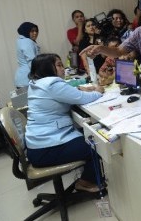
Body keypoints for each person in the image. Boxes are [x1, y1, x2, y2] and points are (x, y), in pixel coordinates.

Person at [25, 53, 104, 193]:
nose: (64, 69)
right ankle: (86, 182)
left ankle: (89, 177)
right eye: (59, 65)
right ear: (47, 69)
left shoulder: (37, 83)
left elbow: (66, 92)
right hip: (47, 149)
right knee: (97, 145)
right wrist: (98, 92)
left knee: (86, 136)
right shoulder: (52, 84)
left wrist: (80, 89)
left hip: (37, 146)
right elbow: (81, 98)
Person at [15, 22, 40, 88]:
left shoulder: (21, 41)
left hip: (22, 79)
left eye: (36, 31)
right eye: (32, 31)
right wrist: (41, 76)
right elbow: (32, 61)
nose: (35, 33)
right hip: (27, 79)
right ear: (26, 31)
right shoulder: (27, 41)